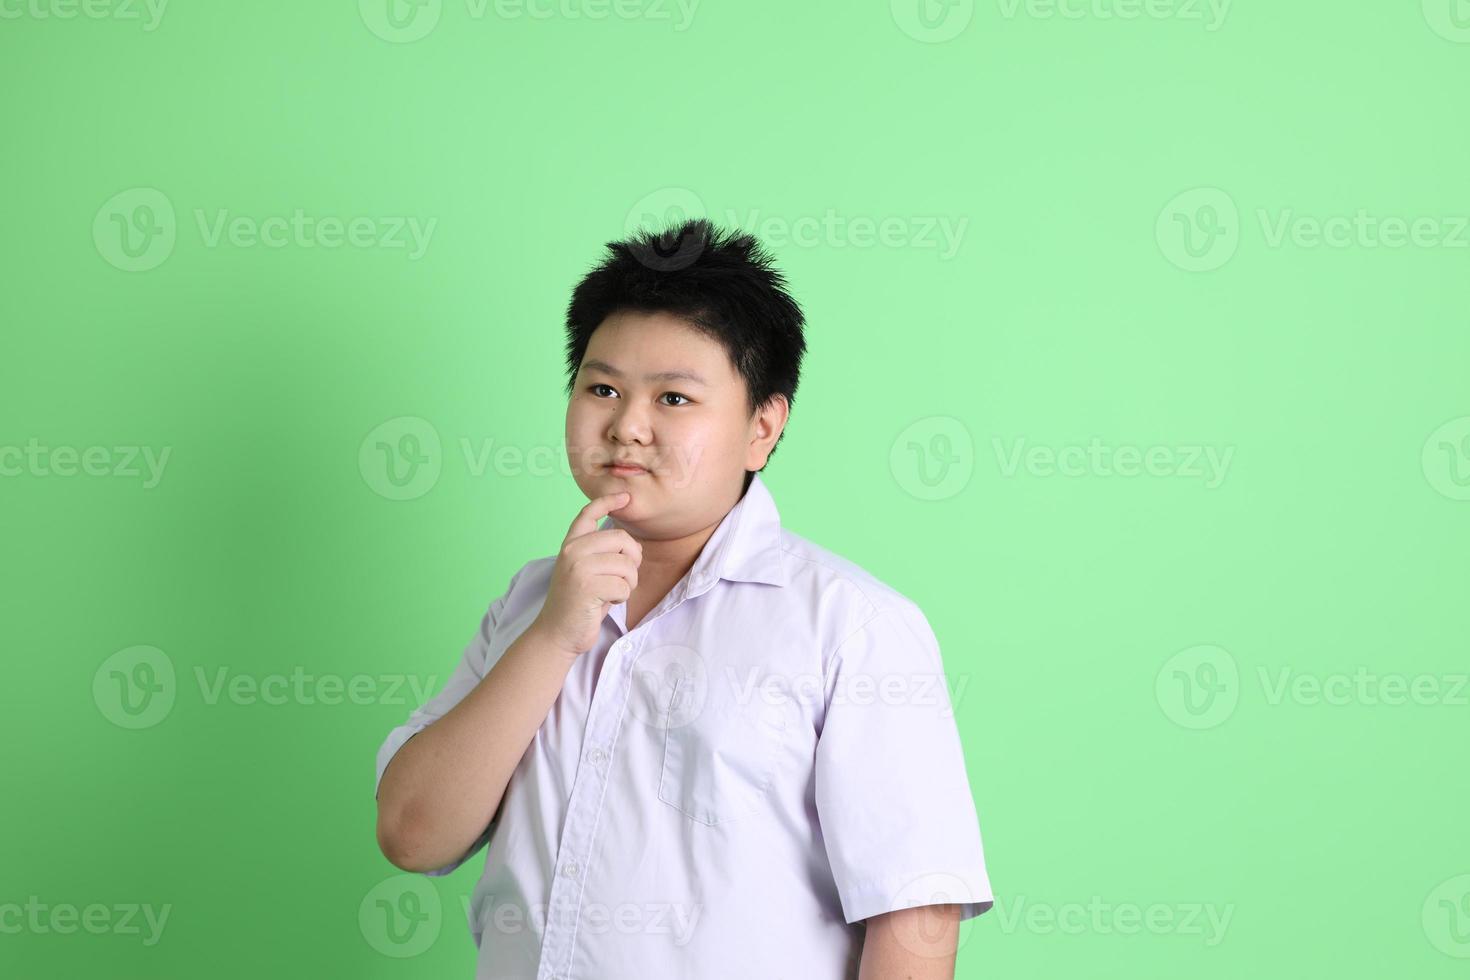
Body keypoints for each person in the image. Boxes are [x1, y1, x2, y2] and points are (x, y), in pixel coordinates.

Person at [373, 217, 993, 979]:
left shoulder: (850, 626)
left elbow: (915, 917)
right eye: (601, 387)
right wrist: (552, 637)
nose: (627, 426)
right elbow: (412, 833)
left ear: (763, 427)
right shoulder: (530, 602)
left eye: (673, 397)